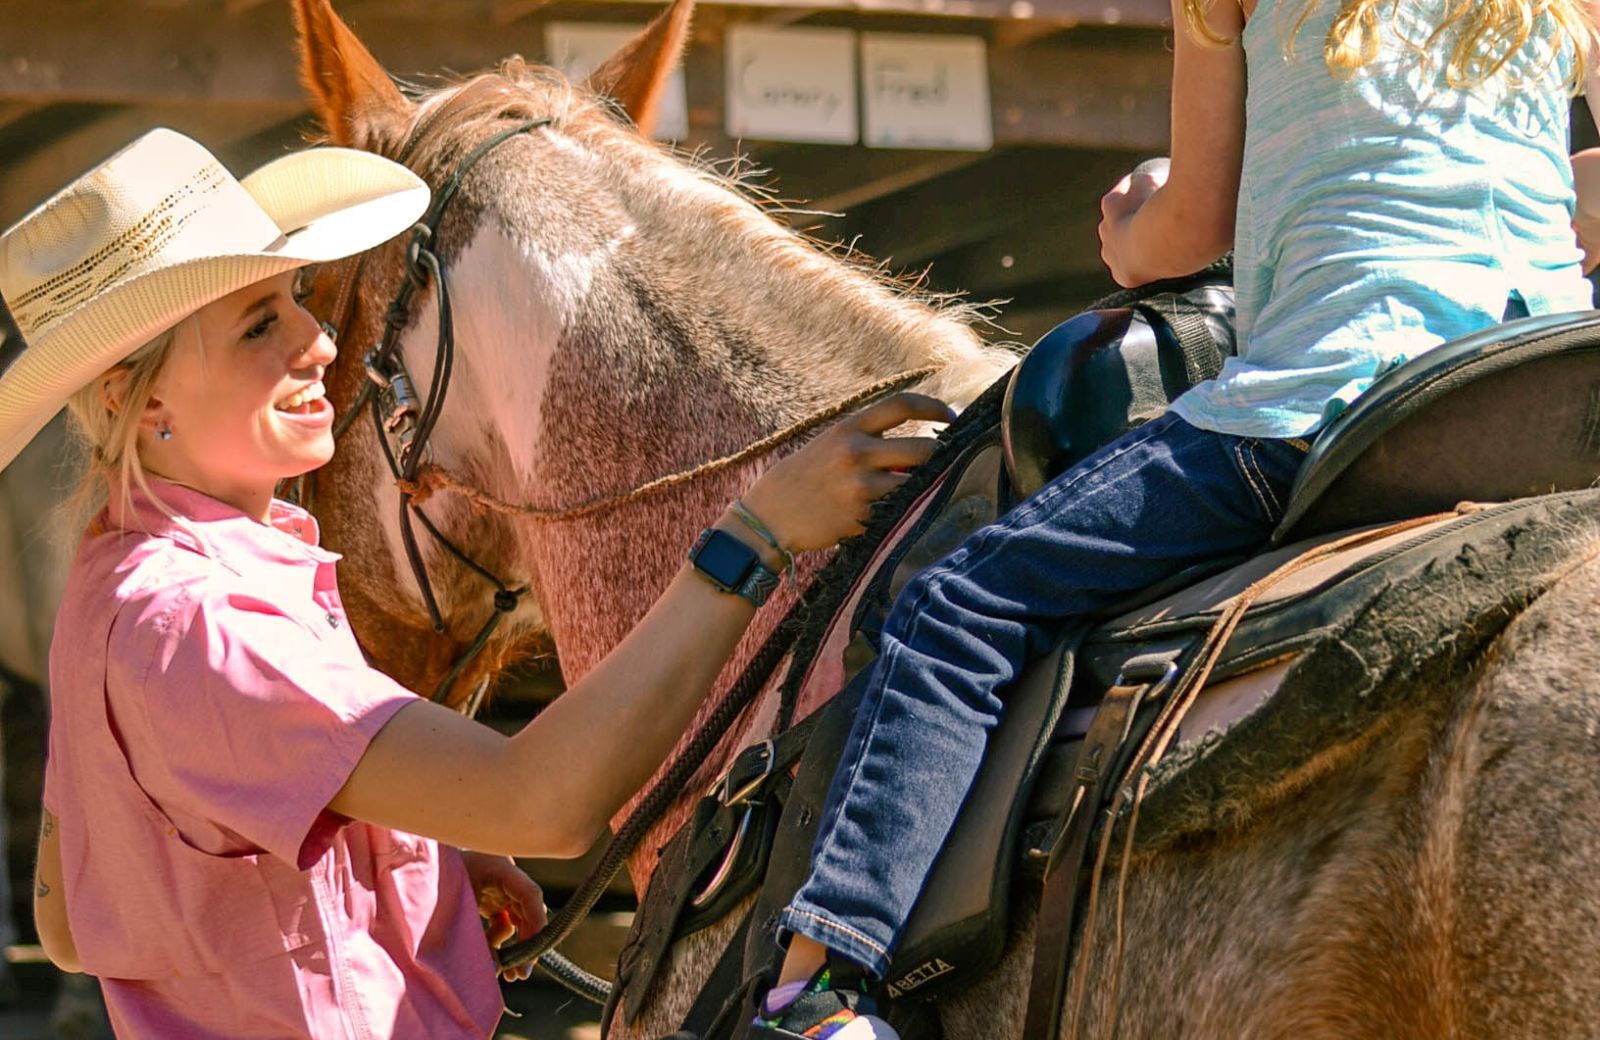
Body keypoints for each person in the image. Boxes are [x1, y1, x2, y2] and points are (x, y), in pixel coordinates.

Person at [752, 0, 1599, 1036]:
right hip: (1545, 388)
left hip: (1332, 401)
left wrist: (1129, 229)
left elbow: (1188, 231)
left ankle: (823, 980)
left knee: (960, 602)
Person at [0, 128, 953, 1039]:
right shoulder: (205, 623)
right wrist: (754, 535)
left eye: (296, 299)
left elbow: (72, 924)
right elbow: (541, 803)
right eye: (259, 324)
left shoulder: (117, 585)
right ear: (138, 398)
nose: (319, 341)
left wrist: (402, 835)